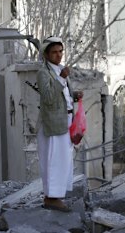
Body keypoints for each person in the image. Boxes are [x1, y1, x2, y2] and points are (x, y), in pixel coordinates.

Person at [37, 36, 82, 212]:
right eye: (54, 52)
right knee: (53, 160)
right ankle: (51, 198)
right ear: (47, 54)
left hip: (65, 121)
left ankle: (57, 196)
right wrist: (62, 79)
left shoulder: (60, 70)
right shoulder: (44, 73)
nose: (58, 55)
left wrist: (74, 95)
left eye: (60, 51)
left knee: (63, 160)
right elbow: (48, 97)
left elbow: (61, 95)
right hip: (53, 123)